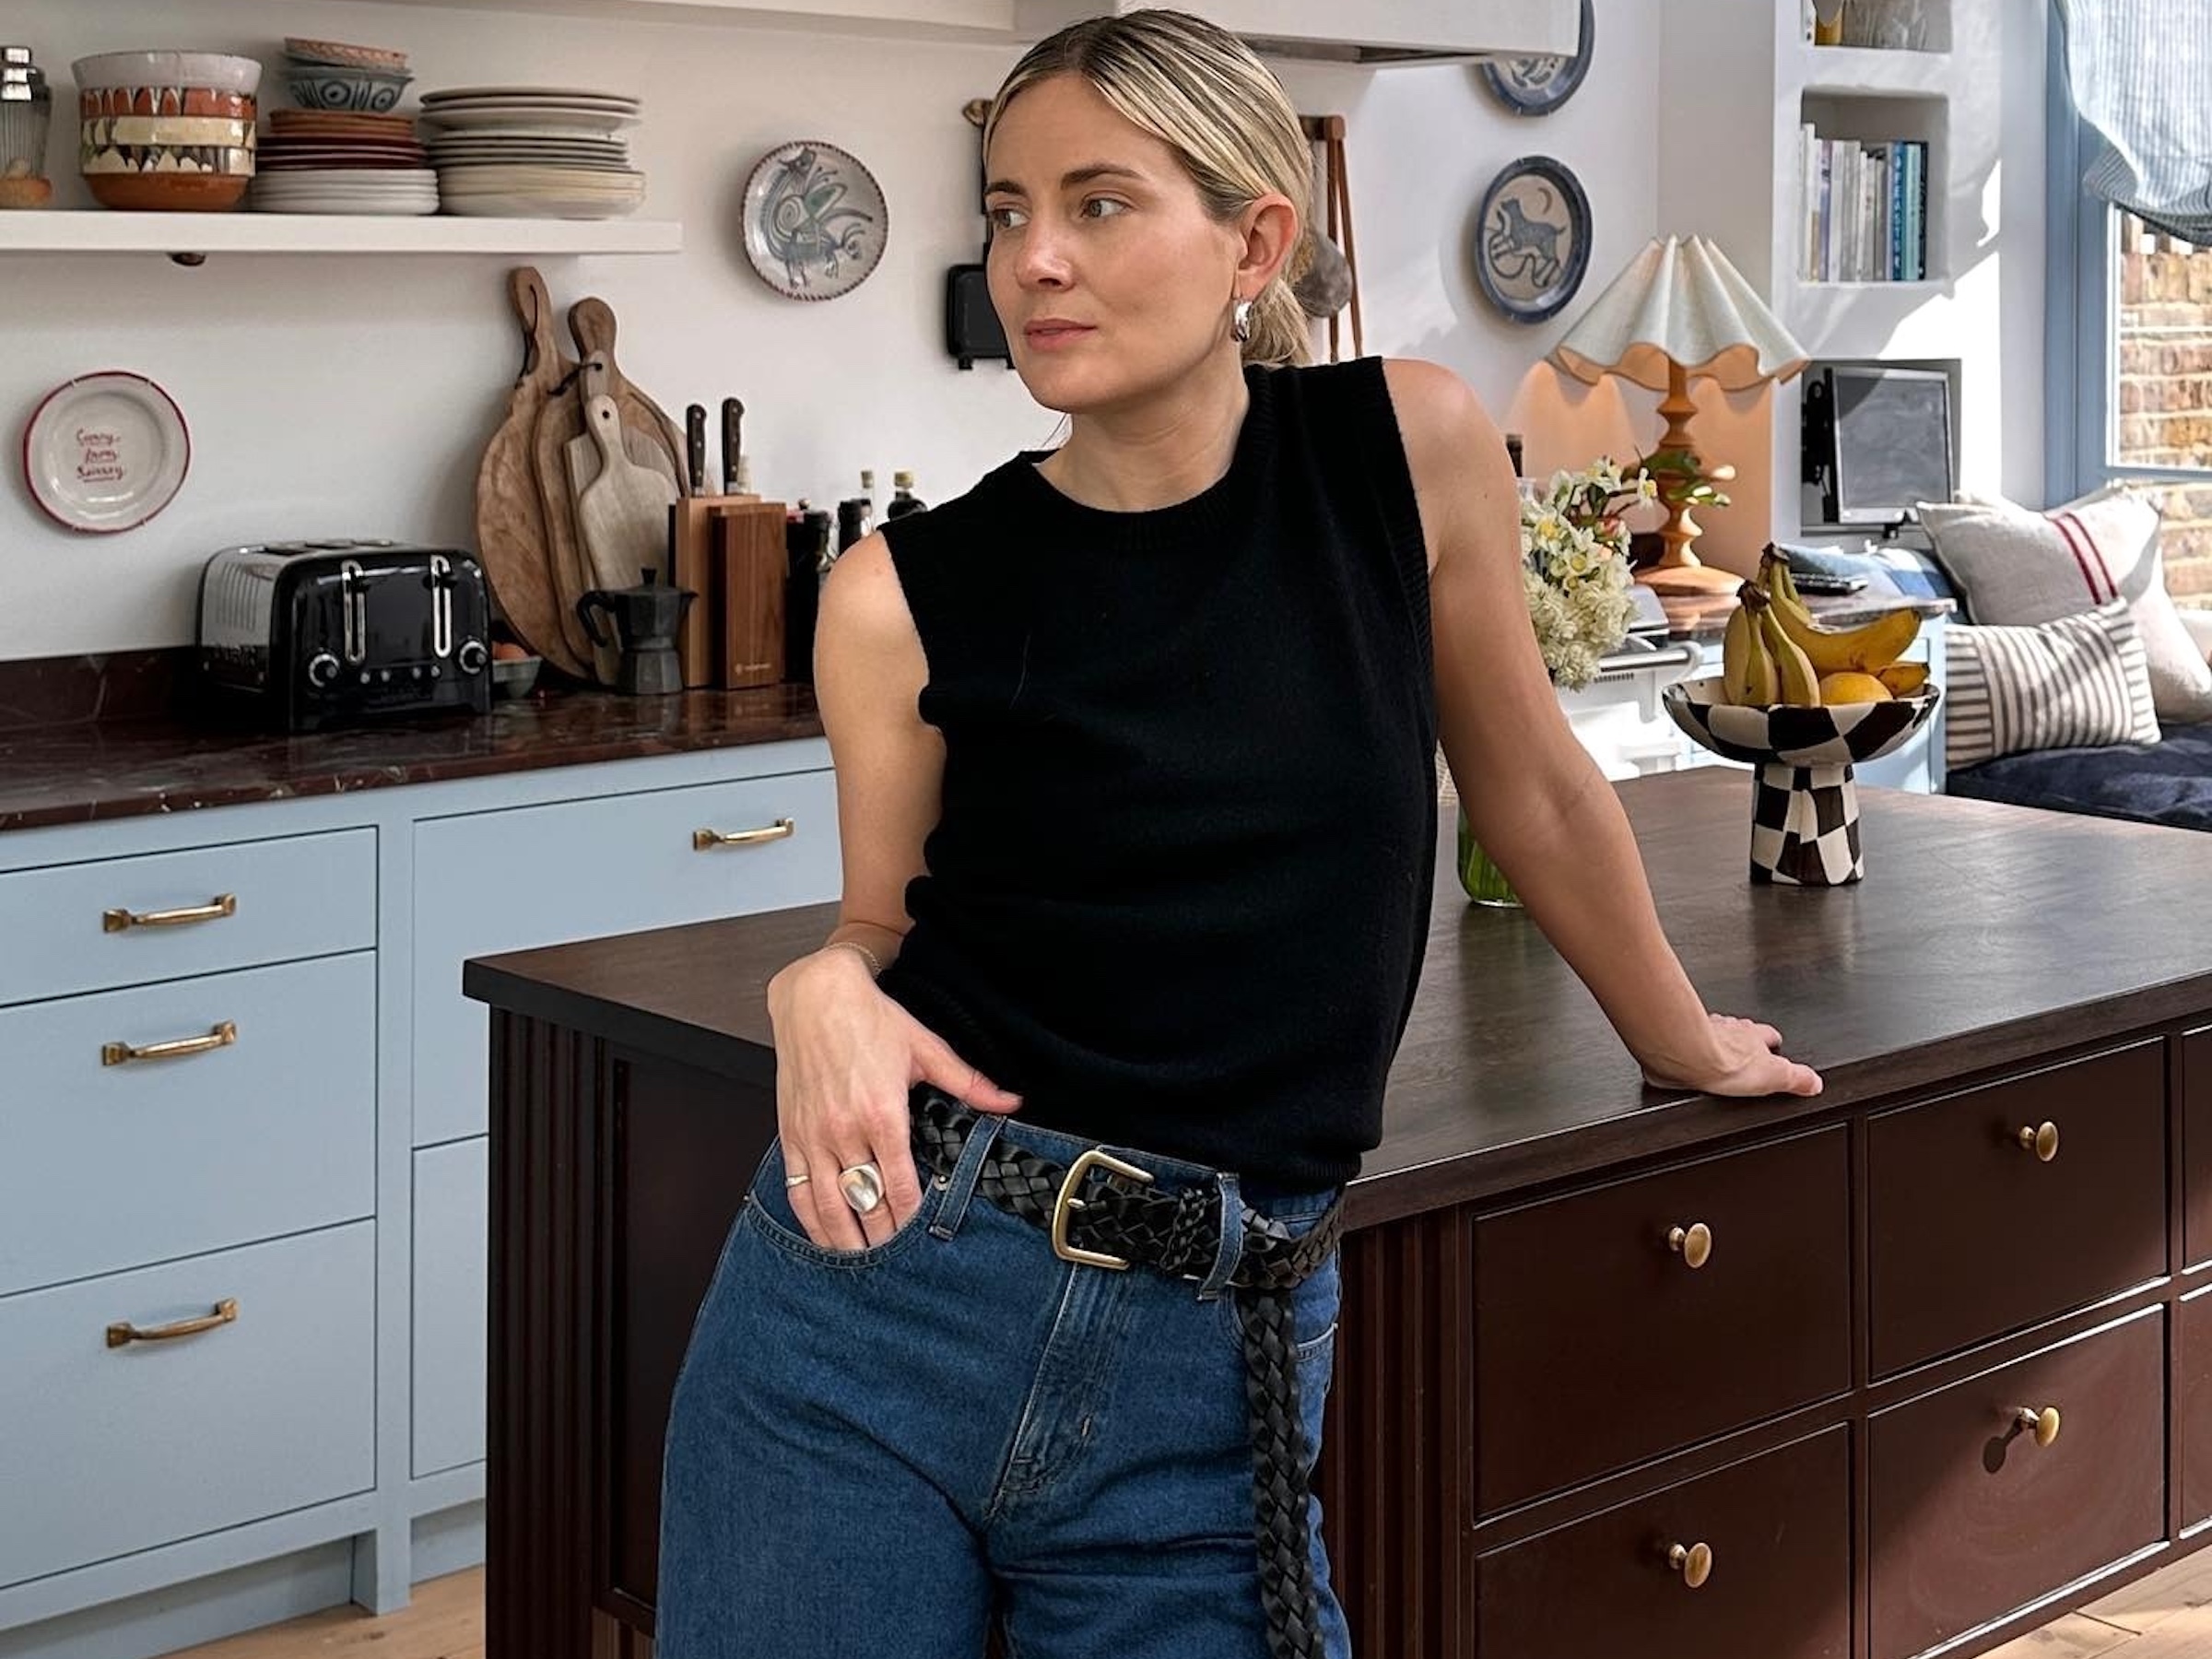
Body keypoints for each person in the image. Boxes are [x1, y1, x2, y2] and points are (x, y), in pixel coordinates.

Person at [654, 11, 1822, 1659]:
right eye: (1005, 209)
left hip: (1213, 1355)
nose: (1035, 258)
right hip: (870, 1314)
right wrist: (821, 981)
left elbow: (1535, 785)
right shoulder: (895, 598)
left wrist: (1681, 1034)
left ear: (1254, 241)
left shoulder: (1403, 453)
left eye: (1100, 202)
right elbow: (881, 932)